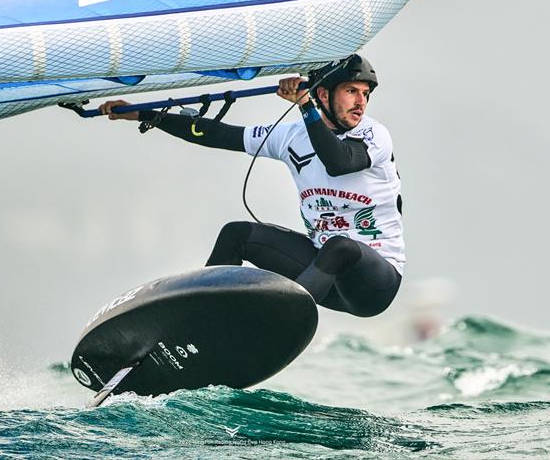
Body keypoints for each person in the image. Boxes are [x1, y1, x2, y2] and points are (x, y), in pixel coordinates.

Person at [98, 54, 404, 317]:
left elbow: (340, 163)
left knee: (341, 246)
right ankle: (198, 318)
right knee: (237, 234)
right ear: (324, 94)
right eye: (352, 91)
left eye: (365, 93)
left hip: (373, 283)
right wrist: (145, 114)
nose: (361, 102)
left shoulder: (375, 136)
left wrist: (305, 107)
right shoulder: (290, 137)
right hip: (320, 274)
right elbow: (218, 134)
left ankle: (278, 323)